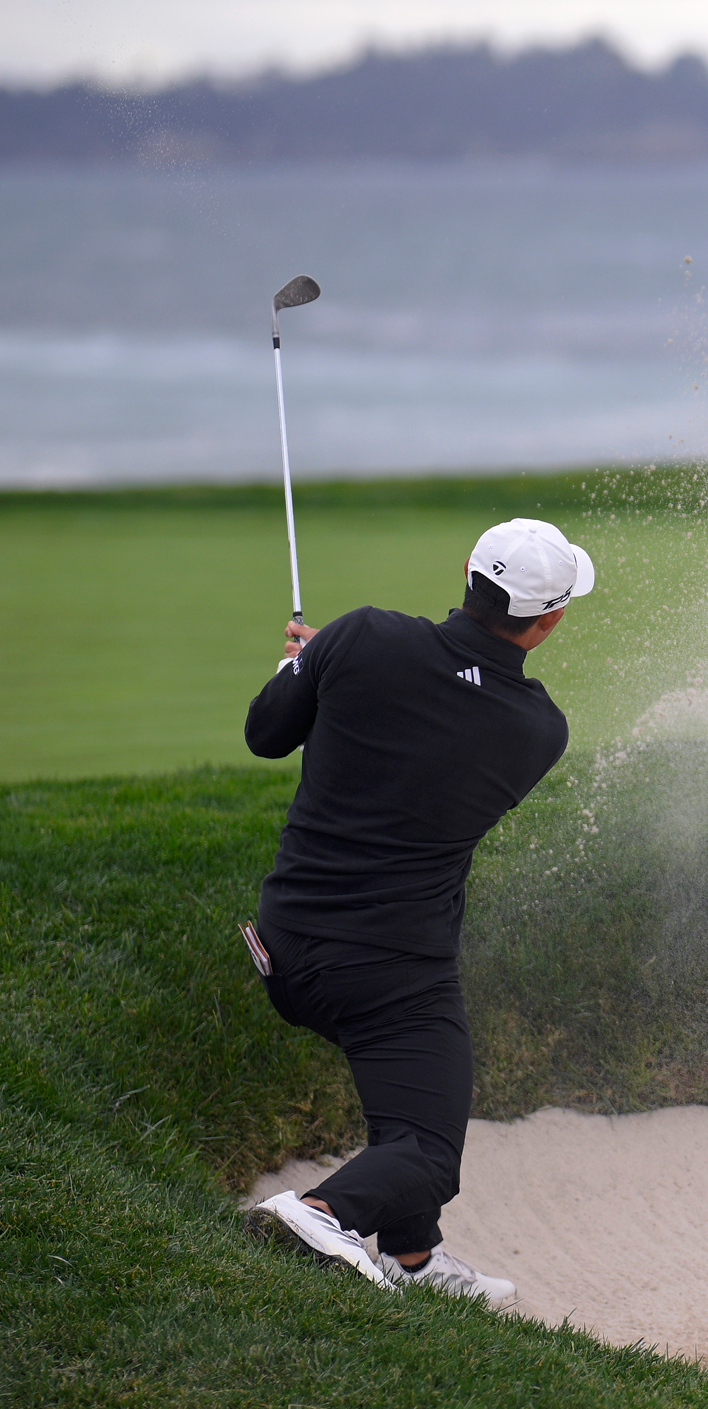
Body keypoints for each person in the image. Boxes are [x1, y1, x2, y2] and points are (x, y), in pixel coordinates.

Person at [240, 517, 595, 1300]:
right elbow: (437, 719)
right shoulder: (538, 730)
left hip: (289, 943)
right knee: (429, 1148)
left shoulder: (361, 637)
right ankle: (317, 1214)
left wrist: (305, 667)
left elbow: (268, 734)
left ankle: (415, 1259)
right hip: (392, 969)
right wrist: (326, 669)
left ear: (468, 570)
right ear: (551, 620)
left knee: (414, 1110)